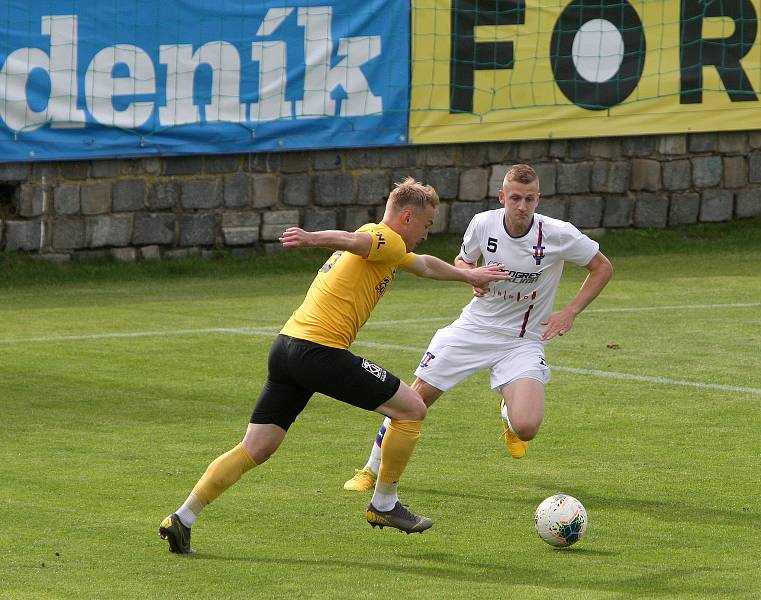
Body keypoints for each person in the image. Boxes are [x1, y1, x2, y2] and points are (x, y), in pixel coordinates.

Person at [158, 178, 510, 554]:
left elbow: (422, 265)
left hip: (286, 348)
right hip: (319, 352)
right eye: (426, 225)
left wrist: (468, 275)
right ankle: (384, 504)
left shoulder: (386, 246)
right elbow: (350, 240)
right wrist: (312, 239)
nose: (427, 234)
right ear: (407, 217)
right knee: (412, 409)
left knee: (256, 447)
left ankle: (182, 517)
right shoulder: (383, 238)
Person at [343, 164, 613, 492]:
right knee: (414, 400)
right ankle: (369, 471)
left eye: (530, 199)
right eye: (515, 198)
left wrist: (570, 312)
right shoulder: (483, 223)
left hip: (522, 339)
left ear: (538, 199)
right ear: (502, 197)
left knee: (527, 427)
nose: (522, 206)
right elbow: (463, 260)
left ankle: (509, 414)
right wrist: (472, 276)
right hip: (474, 327)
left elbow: (602, 267)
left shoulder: (558, 233)